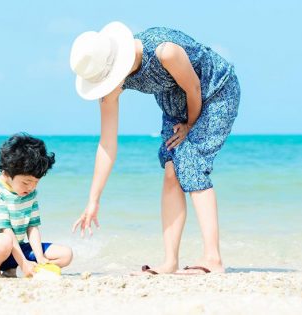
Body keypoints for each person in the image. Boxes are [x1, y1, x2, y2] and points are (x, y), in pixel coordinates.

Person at [69, 22, 240, 274]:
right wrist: (93, 200)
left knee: (191, 161)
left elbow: (194, 87)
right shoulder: (113, 83)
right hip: (175, 100)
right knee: (171, 171)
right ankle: (170, 262)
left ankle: (213, 259)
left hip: (215, 92)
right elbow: (107, 144)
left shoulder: (165, 52)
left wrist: (189, 126)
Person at [0, 133, 73, 278]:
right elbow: (6, 231)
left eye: (36, 182)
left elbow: (32, 227)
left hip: (15, 249)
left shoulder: (29, 192)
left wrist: (40, 257)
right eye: (26, 182)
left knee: (66, 254)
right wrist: (23, 263)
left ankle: (13, 269)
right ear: (7, 173)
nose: (31, 187)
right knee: (4, 241)